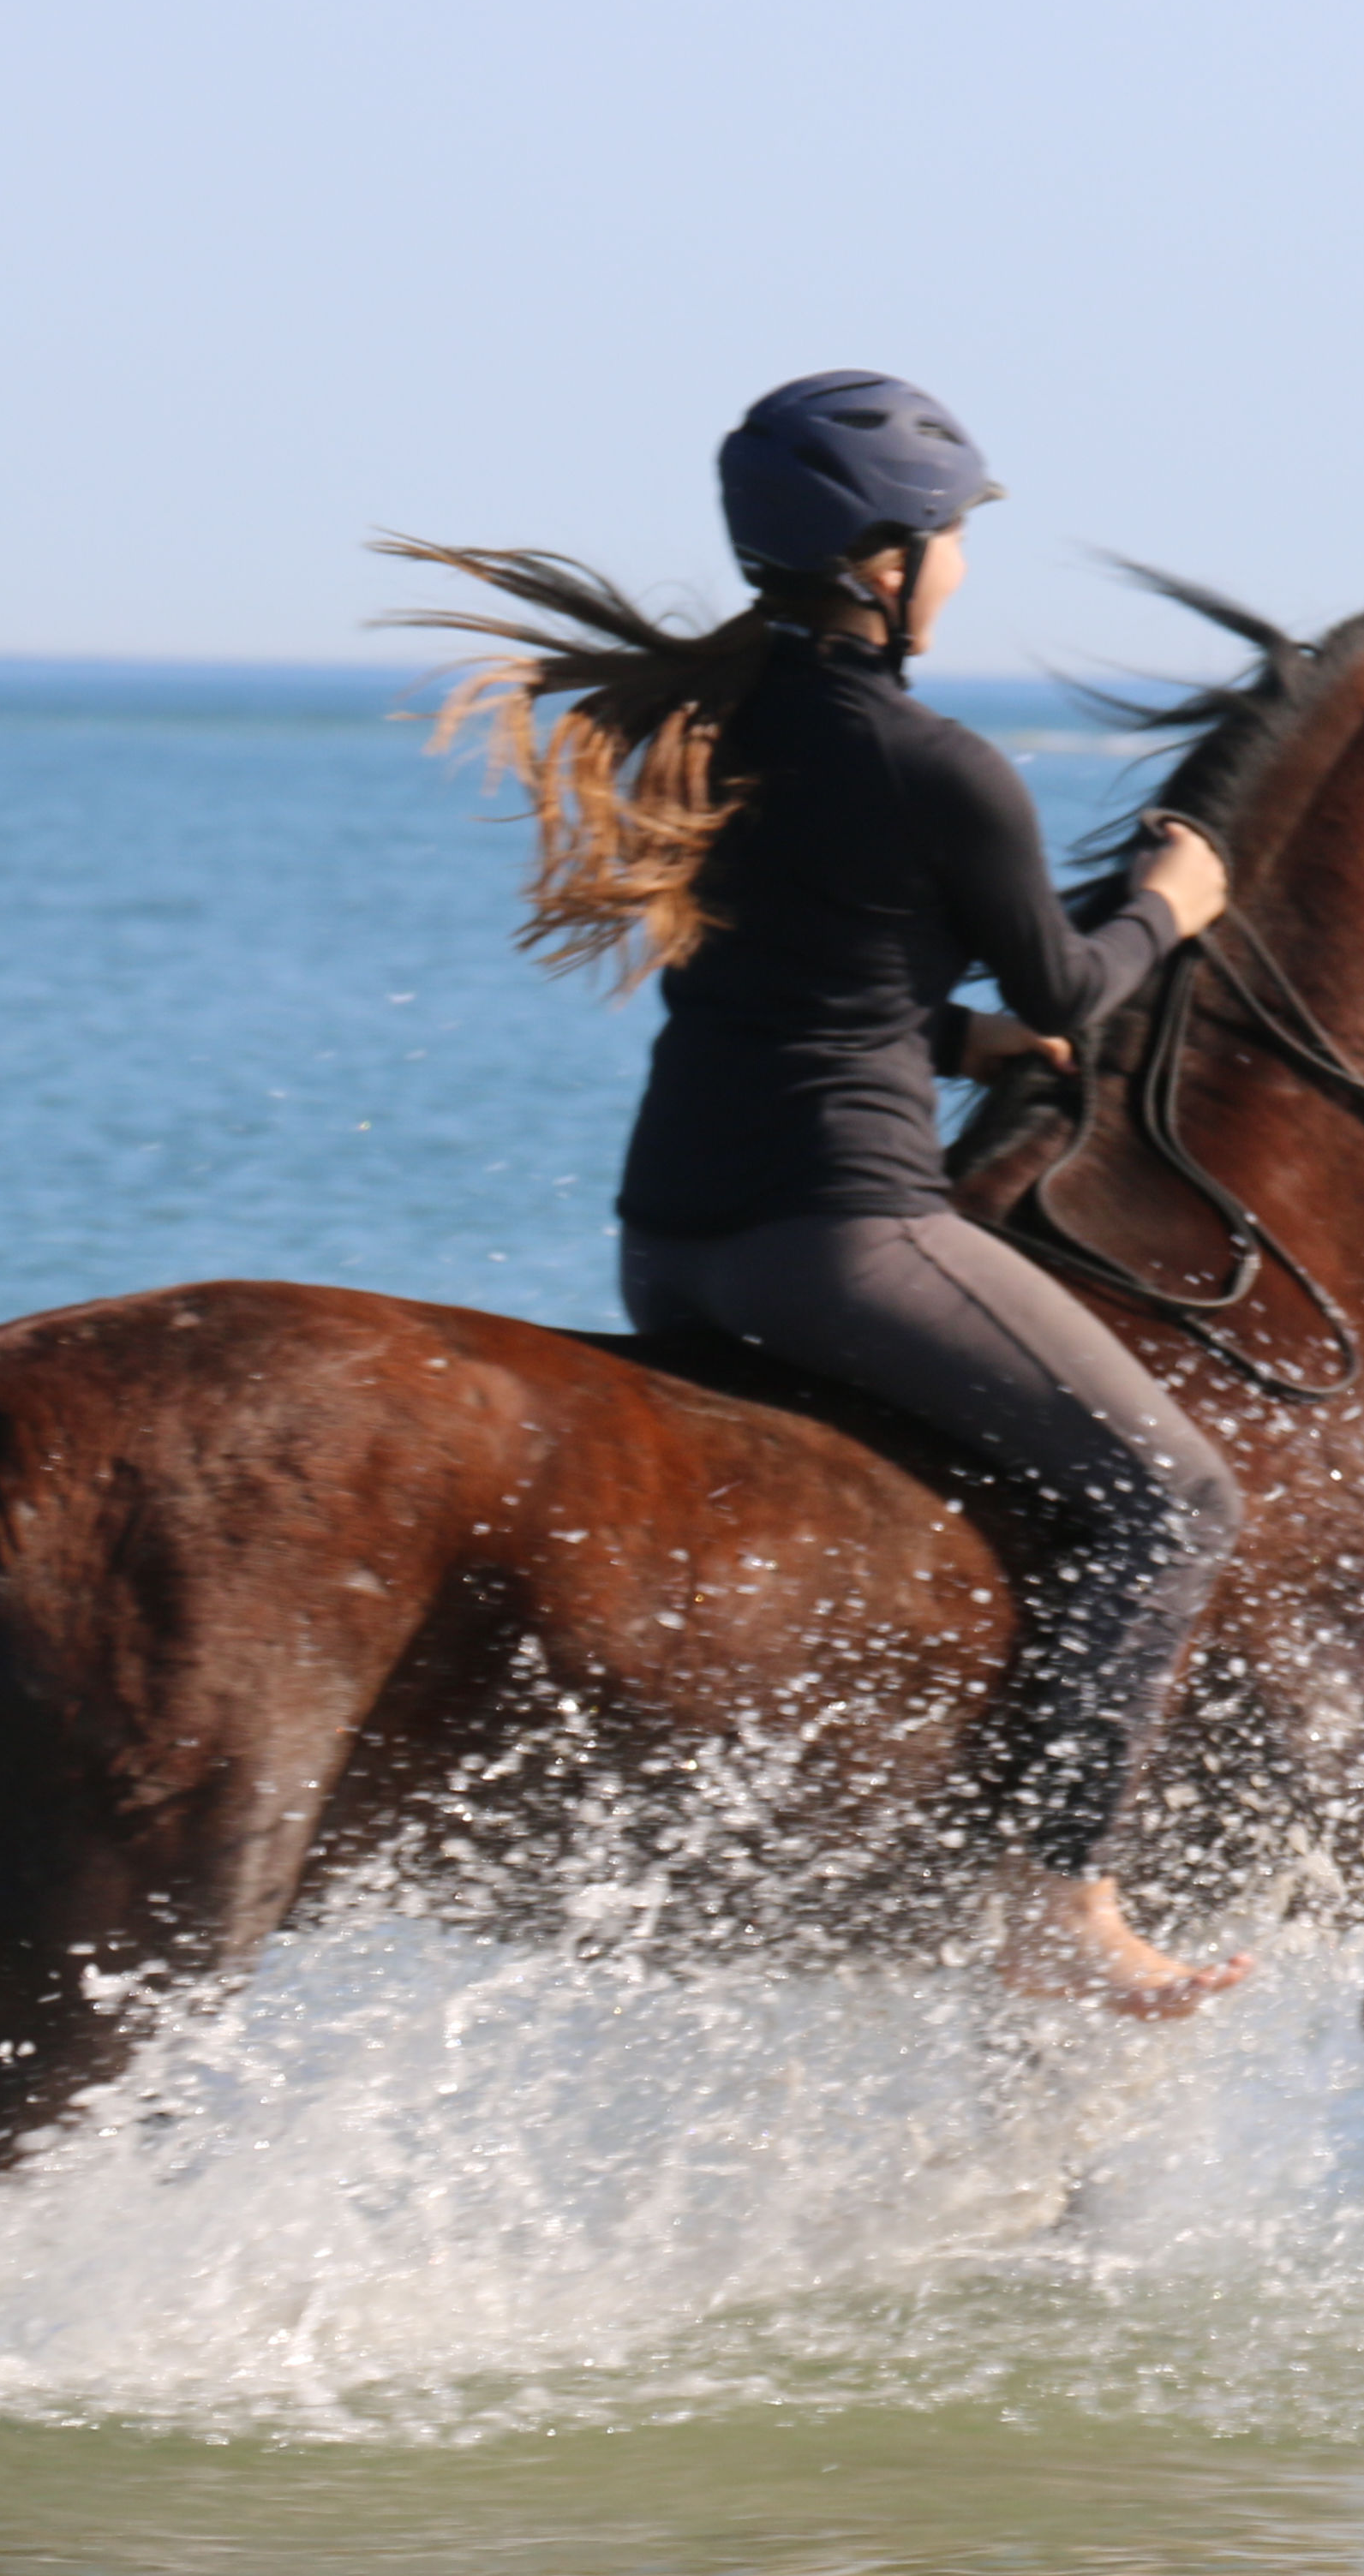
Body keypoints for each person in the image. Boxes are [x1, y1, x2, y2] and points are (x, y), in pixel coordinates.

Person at [385, 373, 1250, 2019]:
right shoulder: (935, 761)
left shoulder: (720, 727)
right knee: (1171, 1503)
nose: (962, 570)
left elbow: (807, 987)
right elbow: (1076, 982)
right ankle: (1054, 1898)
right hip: (840, 1235)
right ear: (881, 560)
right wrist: (1173, 902)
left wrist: (962, 1039)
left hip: (674, 1243)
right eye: (947, 540)